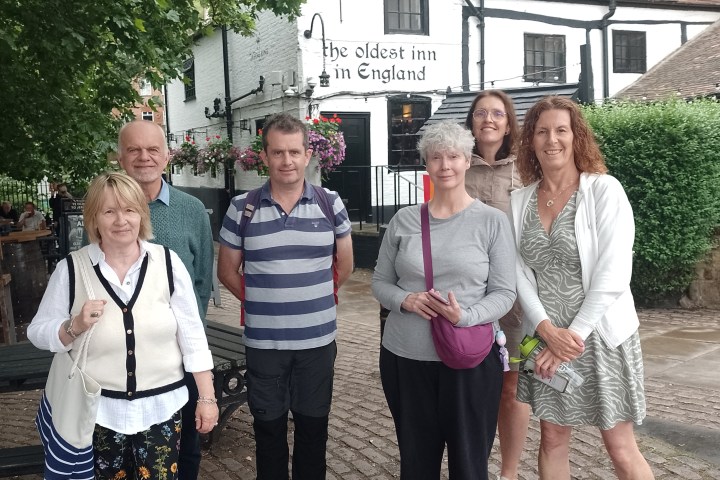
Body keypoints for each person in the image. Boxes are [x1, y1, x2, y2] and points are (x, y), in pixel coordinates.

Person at [27, 172, 219, 479]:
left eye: (129, 210)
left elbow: (192, 337)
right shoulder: (72, 269)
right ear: (94, 218)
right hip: (98, 412)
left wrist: (207, 399)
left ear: (141, 215)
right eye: (109, 211)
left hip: (162, 409)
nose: (121, 220)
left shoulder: (167, 263)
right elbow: (37, 331)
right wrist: (72, 327)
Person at [509, 96, 653, 480]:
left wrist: (570, 338)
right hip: (543, 339)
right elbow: (519, 273)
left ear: (577, 137)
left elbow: (614, 272)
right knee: (552, 439)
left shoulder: (604, 191)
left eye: (561, 130)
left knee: (619, 446)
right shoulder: (519, 201)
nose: (551, 140)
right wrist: (546, 332)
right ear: (531, 141)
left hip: (598, 336)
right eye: (542, 131)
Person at [372, 121, 517, 480]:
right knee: (416, 463)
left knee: (469, 465)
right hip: (406, 358)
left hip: (469, 361)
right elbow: (379, 283)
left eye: (454, 156)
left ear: (468, 161)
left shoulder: (492, 222)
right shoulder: (403, 221)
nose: (445, 165)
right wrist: (405, 300)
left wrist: (465, 316)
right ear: (426, 165)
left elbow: (504, 293)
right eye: (436, 157)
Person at [217, 113, 354, 480]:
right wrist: (264, 300)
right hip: (264, 344)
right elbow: (227, 272)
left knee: (313, 430)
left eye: (294, 152)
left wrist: (313, 298)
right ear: (264, 157)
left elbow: (345, 264)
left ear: (308, 154)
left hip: (317, 341)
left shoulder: (331, 203)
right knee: (268, 431)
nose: (287, 161)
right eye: (278, 152)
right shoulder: (241, 208)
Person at [116, 120, 215, 480]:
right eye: (134, 150)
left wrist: (190, 344)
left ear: (167, 156)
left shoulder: (191, 210)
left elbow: (202, 281)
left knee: (185, 448)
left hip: (180, 356)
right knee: (122, 451)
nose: (144, 157)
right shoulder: (105, 210)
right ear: (120, 158)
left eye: (153, 149)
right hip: (120, 360)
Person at [463, 90, 528, 480]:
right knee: (470, 384)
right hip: (468, 296)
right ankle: (472, 468)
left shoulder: (526, 169)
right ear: (471, 120)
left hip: (516, 298)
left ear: (508, 122)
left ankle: (509, 472)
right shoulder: (455, 165)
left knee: (512, 384)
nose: (489, 119)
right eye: (481, 112)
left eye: (497, 114)